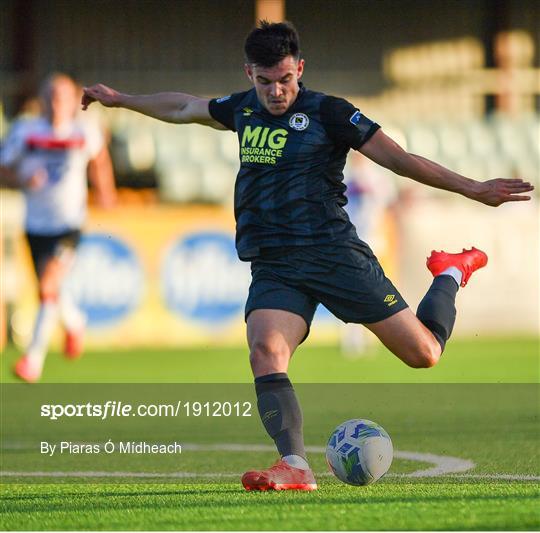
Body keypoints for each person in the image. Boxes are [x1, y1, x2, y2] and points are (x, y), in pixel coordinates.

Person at [82, 21, 533, 491]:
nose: (276, 92)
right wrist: (122, 100)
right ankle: (295, 464)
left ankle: (451, 273)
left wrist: (472, 188)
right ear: (249, 74)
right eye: (264, 82)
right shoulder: (242, 109)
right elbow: (182, 106)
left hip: (333, 254)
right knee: (265, 352)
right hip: (275, 263)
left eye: (285, 80)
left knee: (424, 354)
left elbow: (398, 159)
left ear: (299, 69)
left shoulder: (331, 113)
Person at [0, 73, 116, 383]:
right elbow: (3, 169)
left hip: (69, 225)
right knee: (51, 292)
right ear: (42, 100)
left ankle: (32, 361)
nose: (56, 103)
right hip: (36, 225)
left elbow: (99, 160)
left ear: (72, 100)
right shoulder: (25, 132)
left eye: (62, 97)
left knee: (48, 287)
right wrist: (22, 180)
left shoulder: (83, 130)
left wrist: (106, 192)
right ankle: (75, 322)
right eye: (50, 96)